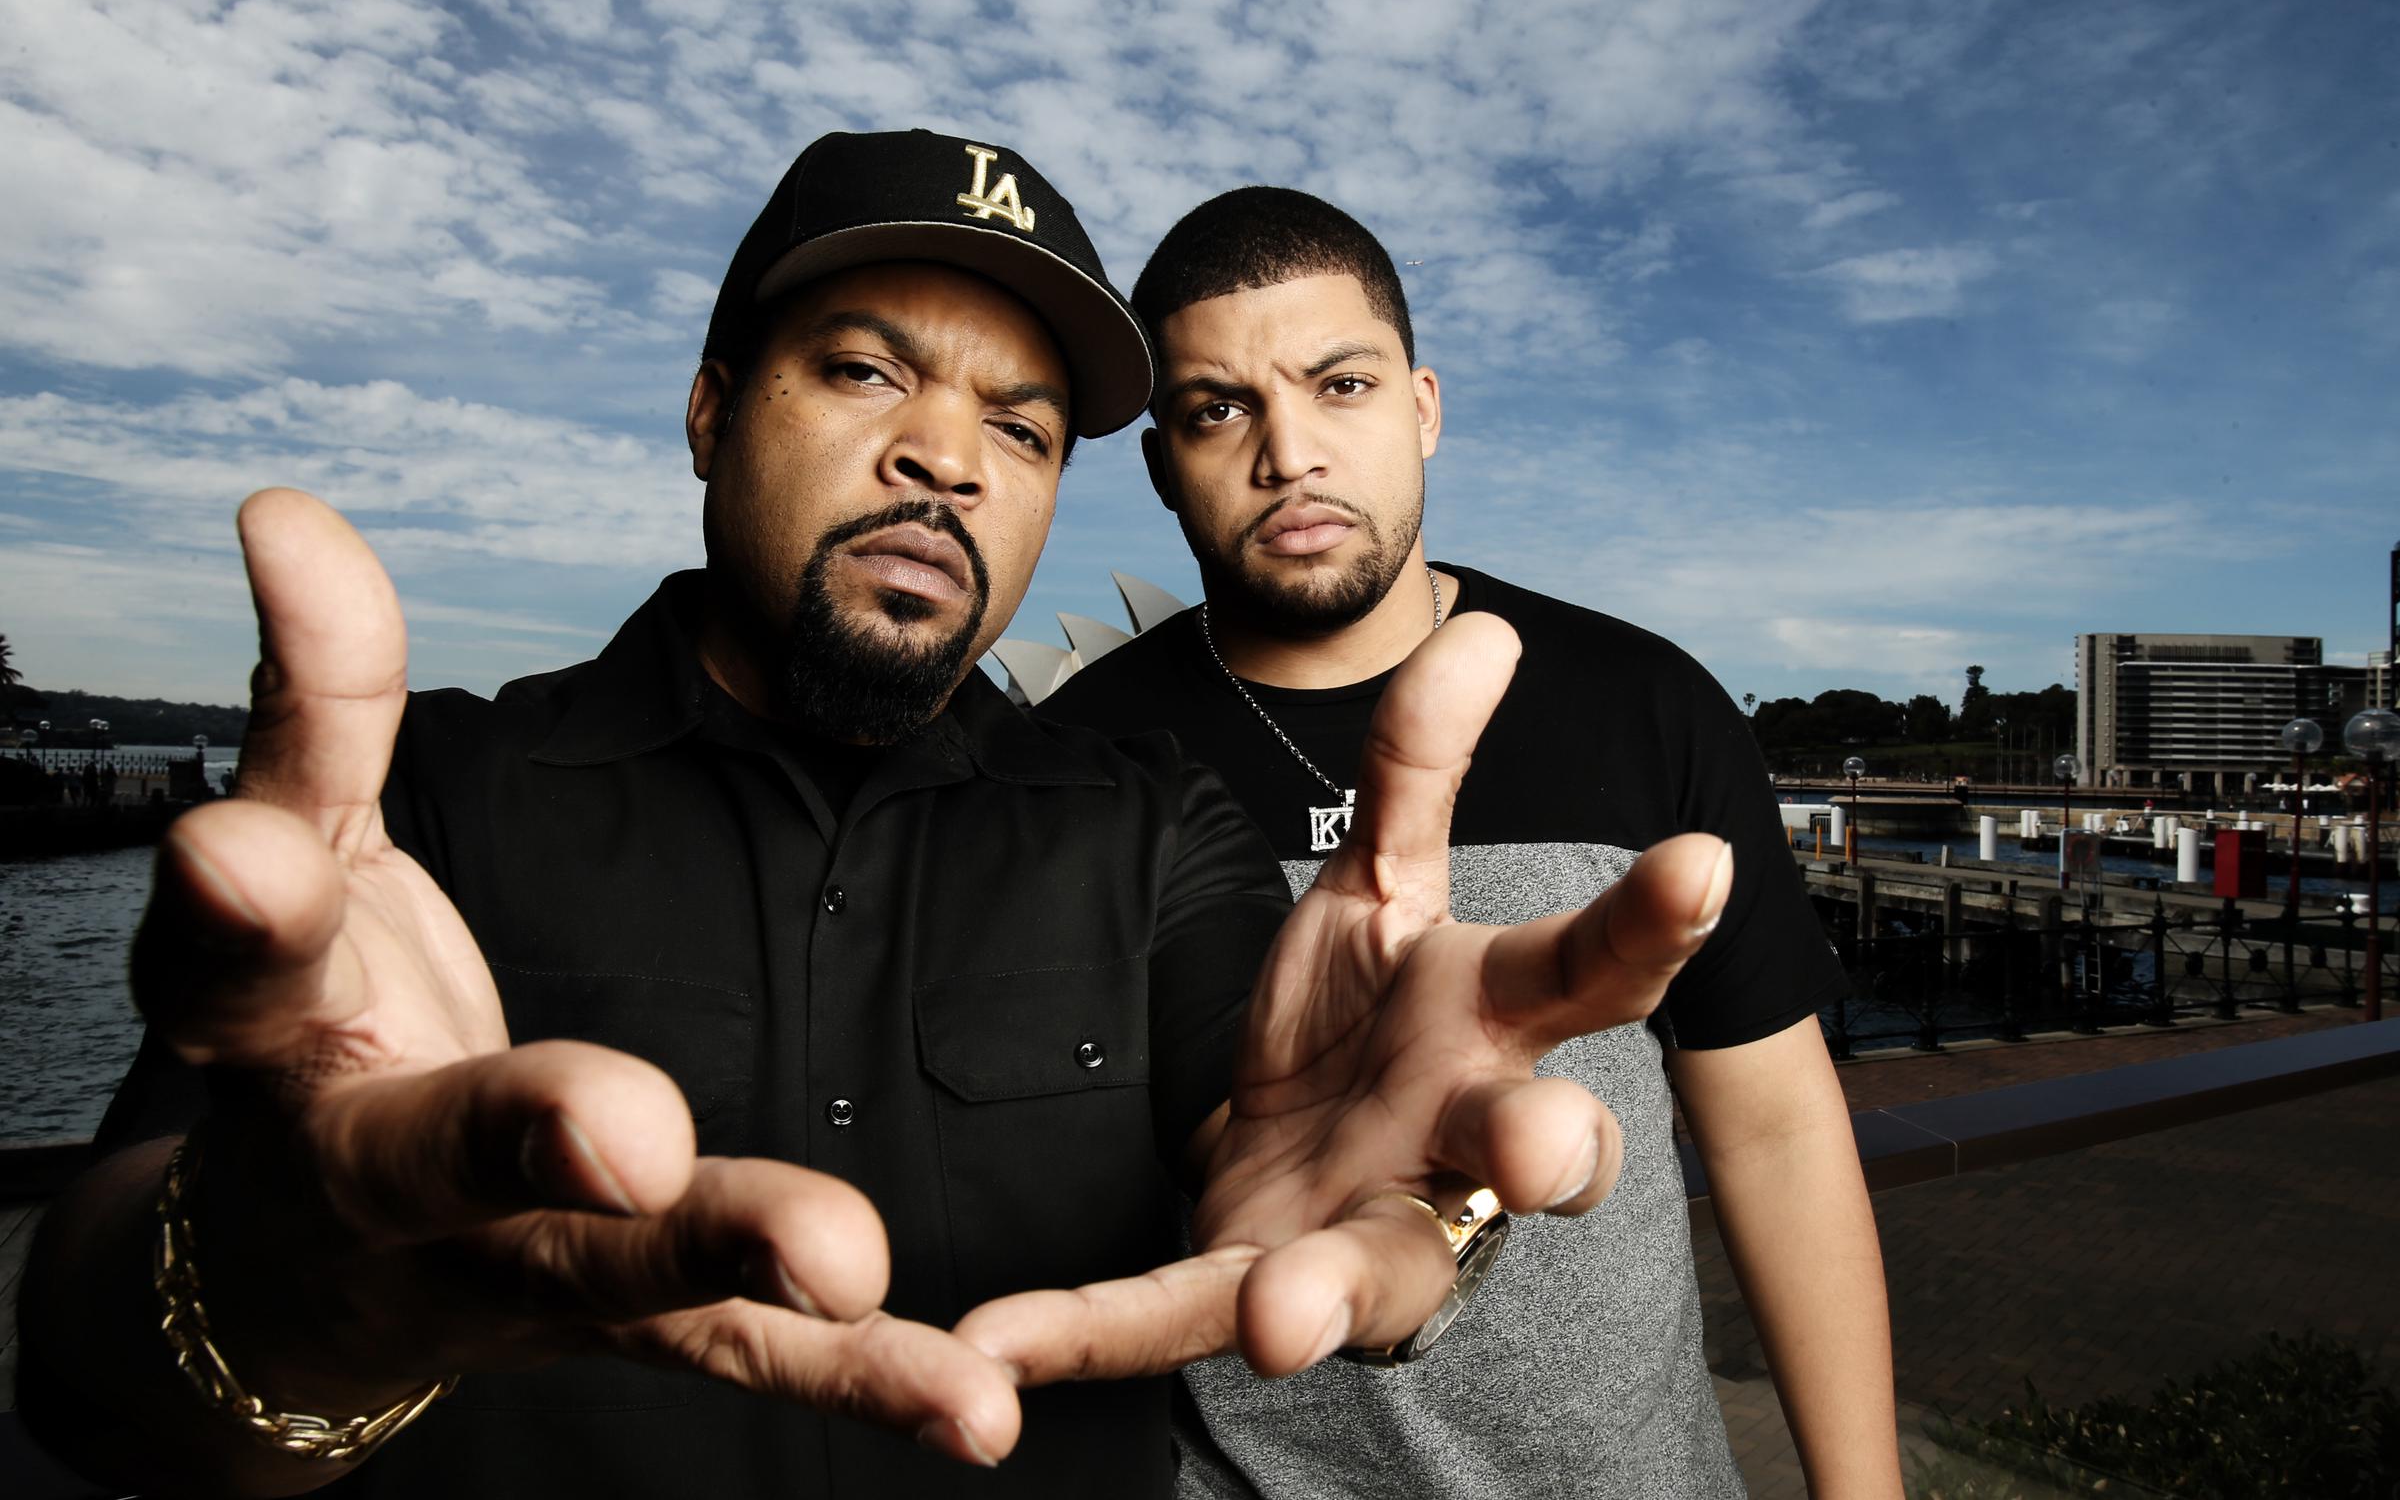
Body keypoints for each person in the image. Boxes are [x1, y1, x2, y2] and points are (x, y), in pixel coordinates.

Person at [18, 133, 1730, 1499]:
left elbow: (1270, 1131)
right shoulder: (426, 814)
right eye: (862, 372)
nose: (946, 457)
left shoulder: (1148, 821)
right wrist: (298, 1304)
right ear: (709, 408)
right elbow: (87, 1382)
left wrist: (1426, 1194)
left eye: (1023, 425)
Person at [1041, 187, 1902, 1498]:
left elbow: (1777, 1130)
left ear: (1424, 407)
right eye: (1221, 408)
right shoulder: (1077, 764)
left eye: (1341, 385)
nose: (1290, 455)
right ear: (1162, 462)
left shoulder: (1645, 705)